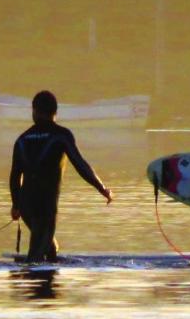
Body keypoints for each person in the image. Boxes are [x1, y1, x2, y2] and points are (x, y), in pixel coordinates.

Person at [9, 90, 113, 263]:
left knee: (49, 248)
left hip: (26, 205)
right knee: (35, 256)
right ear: (55, 112)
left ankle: (45, 271)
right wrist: (101, 188)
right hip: (46, 206)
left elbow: (14, 177)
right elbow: (80, 165)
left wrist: (16, 205)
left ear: (34, 111)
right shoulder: (61, 136)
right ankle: (28, 282)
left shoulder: (22, 140)